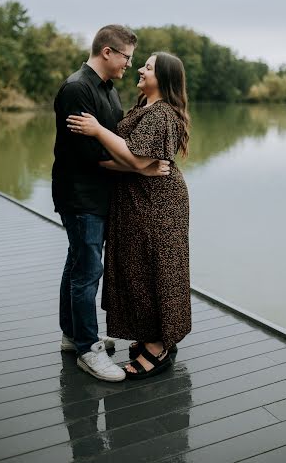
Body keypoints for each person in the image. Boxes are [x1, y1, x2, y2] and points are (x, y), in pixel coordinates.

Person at [52, 25, 170, 383]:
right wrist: (142, 167)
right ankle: (89, 349)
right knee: (88, 271)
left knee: (78, 264)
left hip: (100, 195)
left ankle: (73, 336)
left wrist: (135, 162)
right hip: (81, 194)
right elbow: (91, 156)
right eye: (126, 57)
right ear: (107, 52)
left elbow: (114, 141)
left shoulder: (108, 90)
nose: (129, 65)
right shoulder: (77, 89)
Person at [68, 51, 191, 379]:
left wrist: (96, 130)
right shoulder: (144, 107)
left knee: (154, 268)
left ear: (162, 78)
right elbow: (133, 160)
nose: (139, 69)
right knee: (137, 267)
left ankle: (158, 344)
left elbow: (137, 158)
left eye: (148, 67)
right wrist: (105, 162)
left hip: (158, 203)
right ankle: (149, 334)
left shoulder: (162, 113)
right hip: (139, 199)